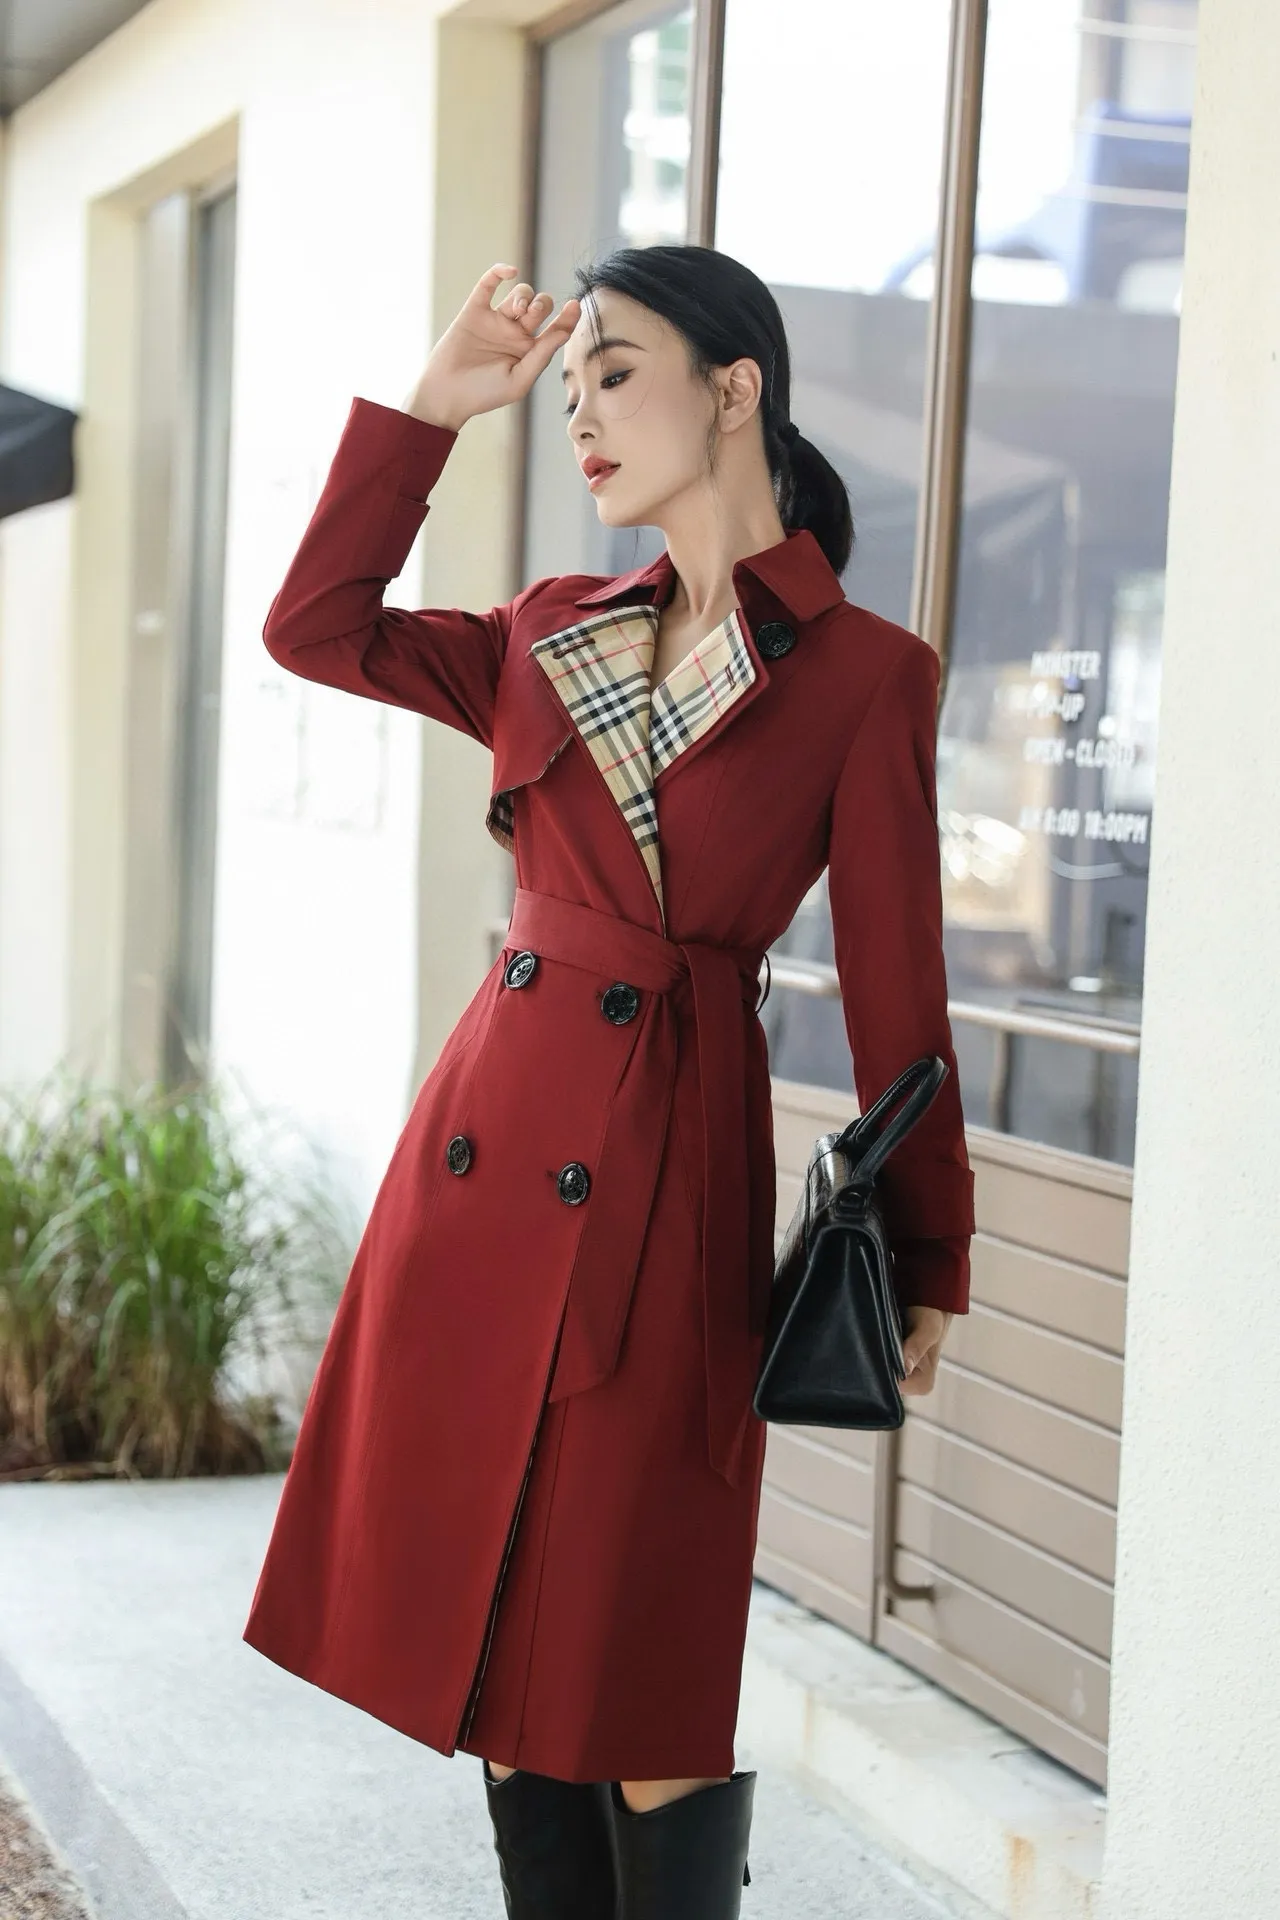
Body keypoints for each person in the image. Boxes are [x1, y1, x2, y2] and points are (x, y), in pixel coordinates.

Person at [242, 246, 975, 1919]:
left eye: (615, 374)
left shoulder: (866, 675)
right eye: (566, 388)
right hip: (481, 1179)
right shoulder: (545, 630)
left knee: (641, 1668)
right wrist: (436, 406)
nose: (579, 414)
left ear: (735, 390)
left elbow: (901, 1000)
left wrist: (927, 1249)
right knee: (506, 1655)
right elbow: (314, 626)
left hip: (668, 1178)